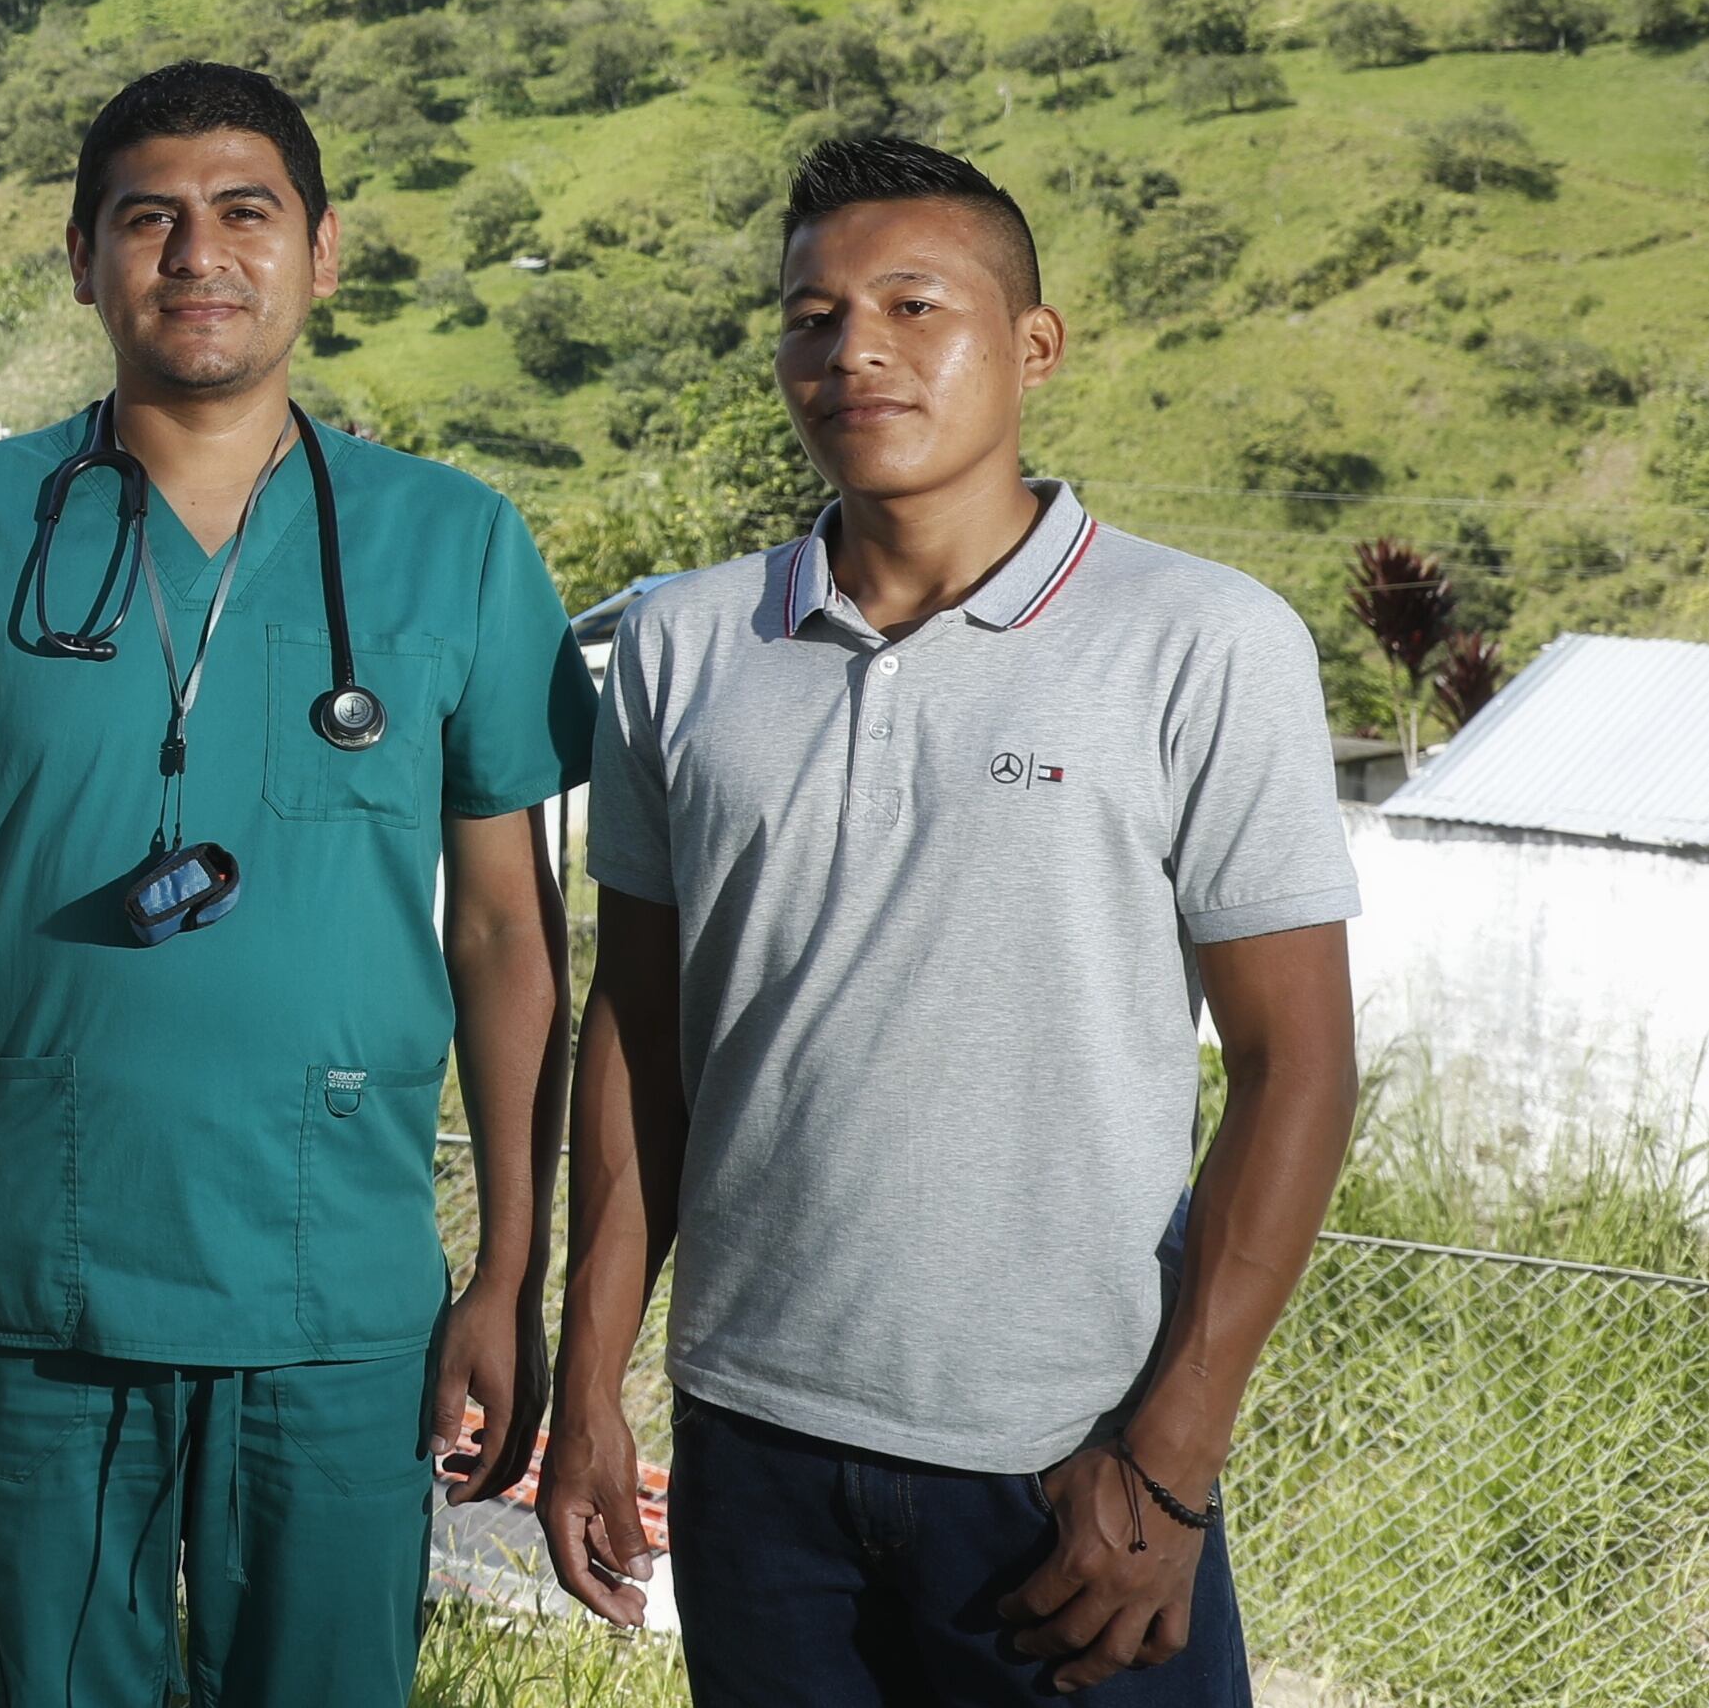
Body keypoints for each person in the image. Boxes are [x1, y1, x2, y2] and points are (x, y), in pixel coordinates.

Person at [0, 60, 587, 1708]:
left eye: (245, 213)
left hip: (338, 1289)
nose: (196, 253)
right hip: (37, 1272)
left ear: (323, 251)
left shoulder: (452, 541)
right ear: (80, 259)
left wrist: (508, 1274)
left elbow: (510, 931)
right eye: (146, 218)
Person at [541, 134, 1360, 1705]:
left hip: (1064, 1472)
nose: (853, 347)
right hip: (753, 1449)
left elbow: (1295, 1067)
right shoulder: (677, 643)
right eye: (810, 315)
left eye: (915, 306)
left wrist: (1170, 1458)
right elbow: (638, 1031)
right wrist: (592, 1383)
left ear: (1031, 348)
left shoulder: (1201, 641)